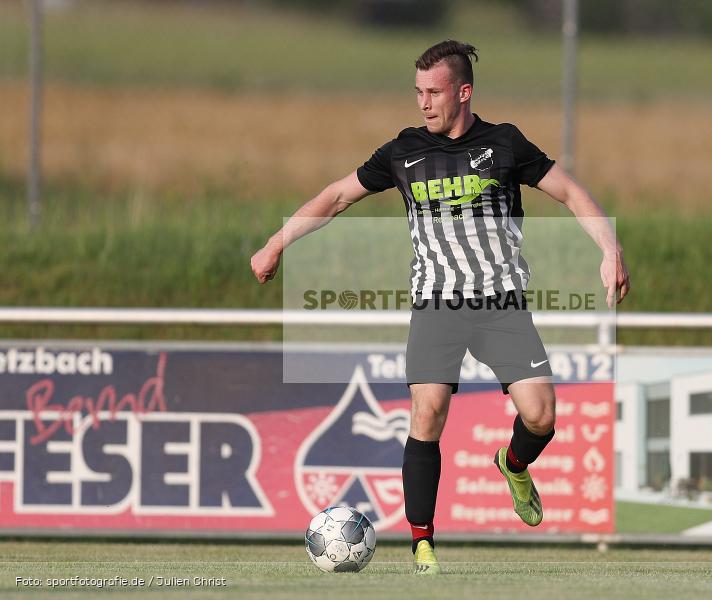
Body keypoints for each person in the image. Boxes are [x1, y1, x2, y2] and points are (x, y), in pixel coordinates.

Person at [251, 40, 630, 575]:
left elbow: (570, 193)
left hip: (501, 303)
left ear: (463, 91)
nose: (424, 103)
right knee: (427, 413)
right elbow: (335, 197)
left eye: (434, 92)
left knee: (541, 417)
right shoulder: (403, 151)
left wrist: (610, 251)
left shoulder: (505, 144)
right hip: (436, 304)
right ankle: (422, 544)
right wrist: (275, 244)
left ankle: (513, 464)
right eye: (418, 93)